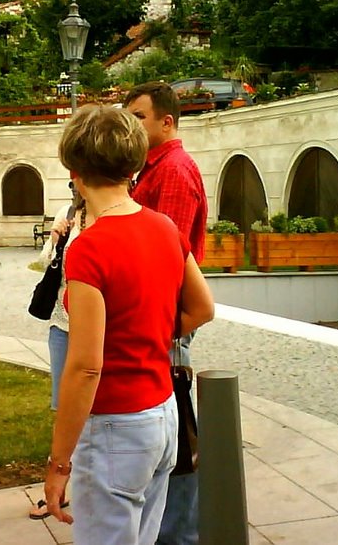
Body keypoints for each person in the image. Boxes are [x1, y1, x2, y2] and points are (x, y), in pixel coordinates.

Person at [43, 105, 215, 545]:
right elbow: (202, 308)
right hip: (162, 415)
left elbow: (85, 367)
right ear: (134, 164)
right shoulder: (163, 228)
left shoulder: (90, 249)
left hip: (114, 425)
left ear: (74, 169)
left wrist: (59, 463)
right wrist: (148, 332)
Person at [124, 81, 208, 545]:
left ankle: (178, 533)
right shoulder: (150, 168)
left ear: (166, 121)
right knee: (166, 425)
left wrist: (154, 322)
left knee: (175, 430)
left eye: (138, 117)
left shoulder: (173, 170)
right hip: (160, 317)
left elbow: (167, 259)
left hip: (168, 319)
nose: (132, 125)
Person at [28, 182, 93, 520]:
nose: (76, 189)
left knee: (95, 409)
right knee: (62, 405)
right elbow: (44, 266)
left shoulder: (106, 218)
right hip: (62, 324)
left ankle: (89, 485)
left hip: (95, 326)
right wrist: (55, 240)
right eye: (72, 184)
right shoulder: (66, 215)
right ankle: (59, 490)